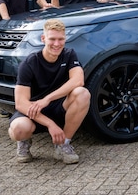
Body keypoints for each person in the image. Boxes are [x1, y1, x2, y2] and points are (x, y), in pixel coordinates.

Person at [7, 19, 91, 164]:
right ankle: (24, 142)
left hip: (58, 106)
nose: (57, 44)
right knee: (19, 129)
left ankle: (63, 144)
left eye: (61, 39)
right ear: (43, 38)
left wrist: (48, 99)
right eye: (52, 39)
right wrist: (50, 124)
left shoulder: (69, 54)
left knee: (82, 93)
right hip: (34, 111)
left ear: (65, 39)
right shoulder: (29, 63)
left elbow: (78, 80)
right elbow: (20, 103)